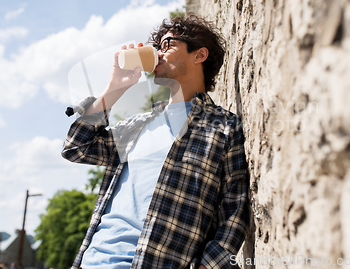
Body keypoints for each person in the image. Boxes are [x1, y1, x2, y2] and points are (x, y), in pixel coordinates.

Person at [62, 15, 249, 269]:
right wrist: (115, 87)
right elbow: (77, 148)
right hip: (93, 262)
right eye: (158, 46)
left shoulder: (224, 128)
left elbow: (235, 211)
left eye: (167, 45)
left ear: (199, 55)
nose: (159, 53)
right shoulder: (137, 126)